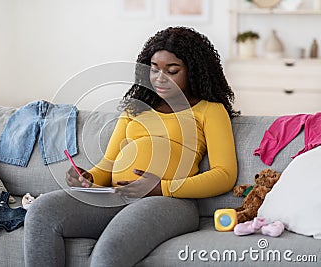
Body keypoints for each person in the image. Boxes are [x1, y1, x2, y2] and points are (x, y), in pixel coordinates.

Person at [24, 26, 239, 267]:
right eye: (154, 69)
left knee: (108, 252)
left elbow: (224, 174)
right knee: (41, 211)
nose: (160, 78)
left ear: (194, 72)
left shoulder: (209, 110)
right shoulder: (135, 109)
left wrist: (161, 188)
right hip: (115, 197)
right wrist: (88, 177)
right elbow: (108, 164)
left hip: (171, 203)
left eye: (172, 71)